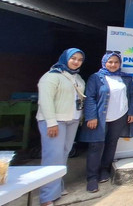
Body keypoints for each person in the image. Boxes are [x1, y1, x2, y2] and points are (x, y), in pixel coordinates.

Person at [79, 51, 133, 193]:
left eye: (116, 62)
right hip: (100, 118)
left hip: (120, 116)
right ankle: (92, 177)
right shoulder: (96, 77)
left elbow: (131, 96)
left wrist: (131, 112)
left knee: (112, 143)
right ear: (104, 62)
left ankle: (104, 170)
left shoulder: (125, 78)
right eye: (110, 62)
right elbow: (90, 97)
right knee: (96, 145)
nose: (113, 65)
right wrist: (91, 117)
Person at [36, 48, 85, 206]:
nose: (76, 61)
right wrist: (51, 122)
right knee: (52, 157)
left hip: (72, 120)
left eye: (79, 59)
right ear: (65, 59)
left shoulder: (77, 77)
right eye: (73, 58)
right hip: (55, 121)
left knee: (64, 154)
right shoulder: (51, 76)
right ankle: (46, 197)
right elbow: (45, 101)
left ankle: (57, 187)